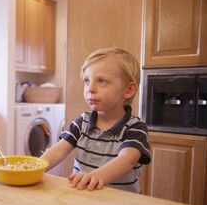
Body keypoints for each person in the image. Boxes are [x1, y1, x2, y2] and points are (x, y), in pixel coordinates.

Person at [41, 48, 150, 193]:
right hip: (85, 197)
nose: (90, 88)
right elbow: (58, 151)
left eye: (102, 81)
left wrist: (92, 177)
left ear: (128, 90)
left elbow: (127, 160)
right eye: (87, 81)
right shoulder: (82, 122)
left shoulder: (135, 128)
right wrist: (35, 167)